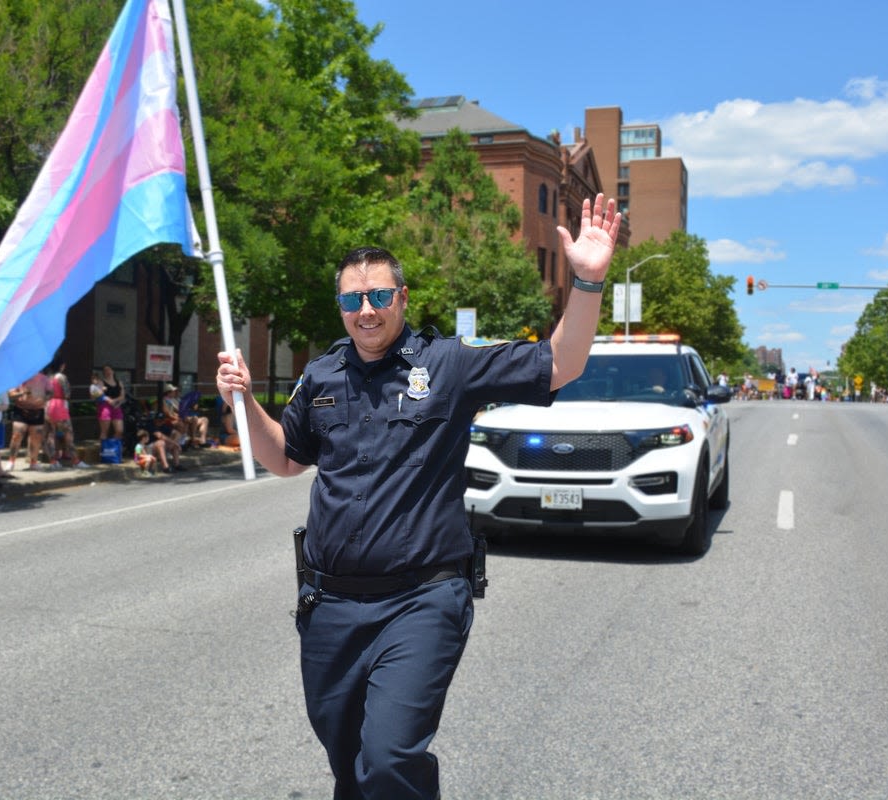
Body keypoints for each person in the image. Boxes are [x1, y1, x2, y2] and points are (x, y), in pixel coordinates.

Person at [215, 195, 620, 800]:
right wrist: (242, 402)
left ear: (402, 298)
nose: (367, 310)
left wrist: (586, 280)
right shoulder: (322, 375)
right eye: (353, 299)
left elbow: (559, 363)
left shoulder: (448, 364)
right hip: (328, 604)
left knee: (388, 759)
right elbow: (284, 459)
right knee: (347, 759)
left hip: (420, 601)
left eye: (379, 296)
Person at [8, 369, 50, 470]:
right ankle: (11, 461)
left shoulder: (44, 378)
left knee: (36, 437)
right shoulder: (19, 377)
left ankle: (33, 462)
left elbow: (50, 392)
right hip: (21, 409)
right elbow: (11, 395)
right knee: (16, 436)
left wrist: (44, 398)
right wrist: (23, 393)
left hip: (37, 410)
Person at [95, 365, 126, 441]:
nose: (107, 372)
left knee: (119, 431)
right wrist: (109, 401)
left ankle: (111, 446)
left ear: (113, 371)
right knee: (104, 432)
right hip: (105, 407)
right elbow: (99, 394)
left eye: (109, 370)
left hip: (116, 406)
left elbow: (122, 396)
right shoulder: (101, 382)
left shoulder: (119, 382)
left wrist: (115, 402)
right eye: (105, 370)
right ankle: (103, 450)